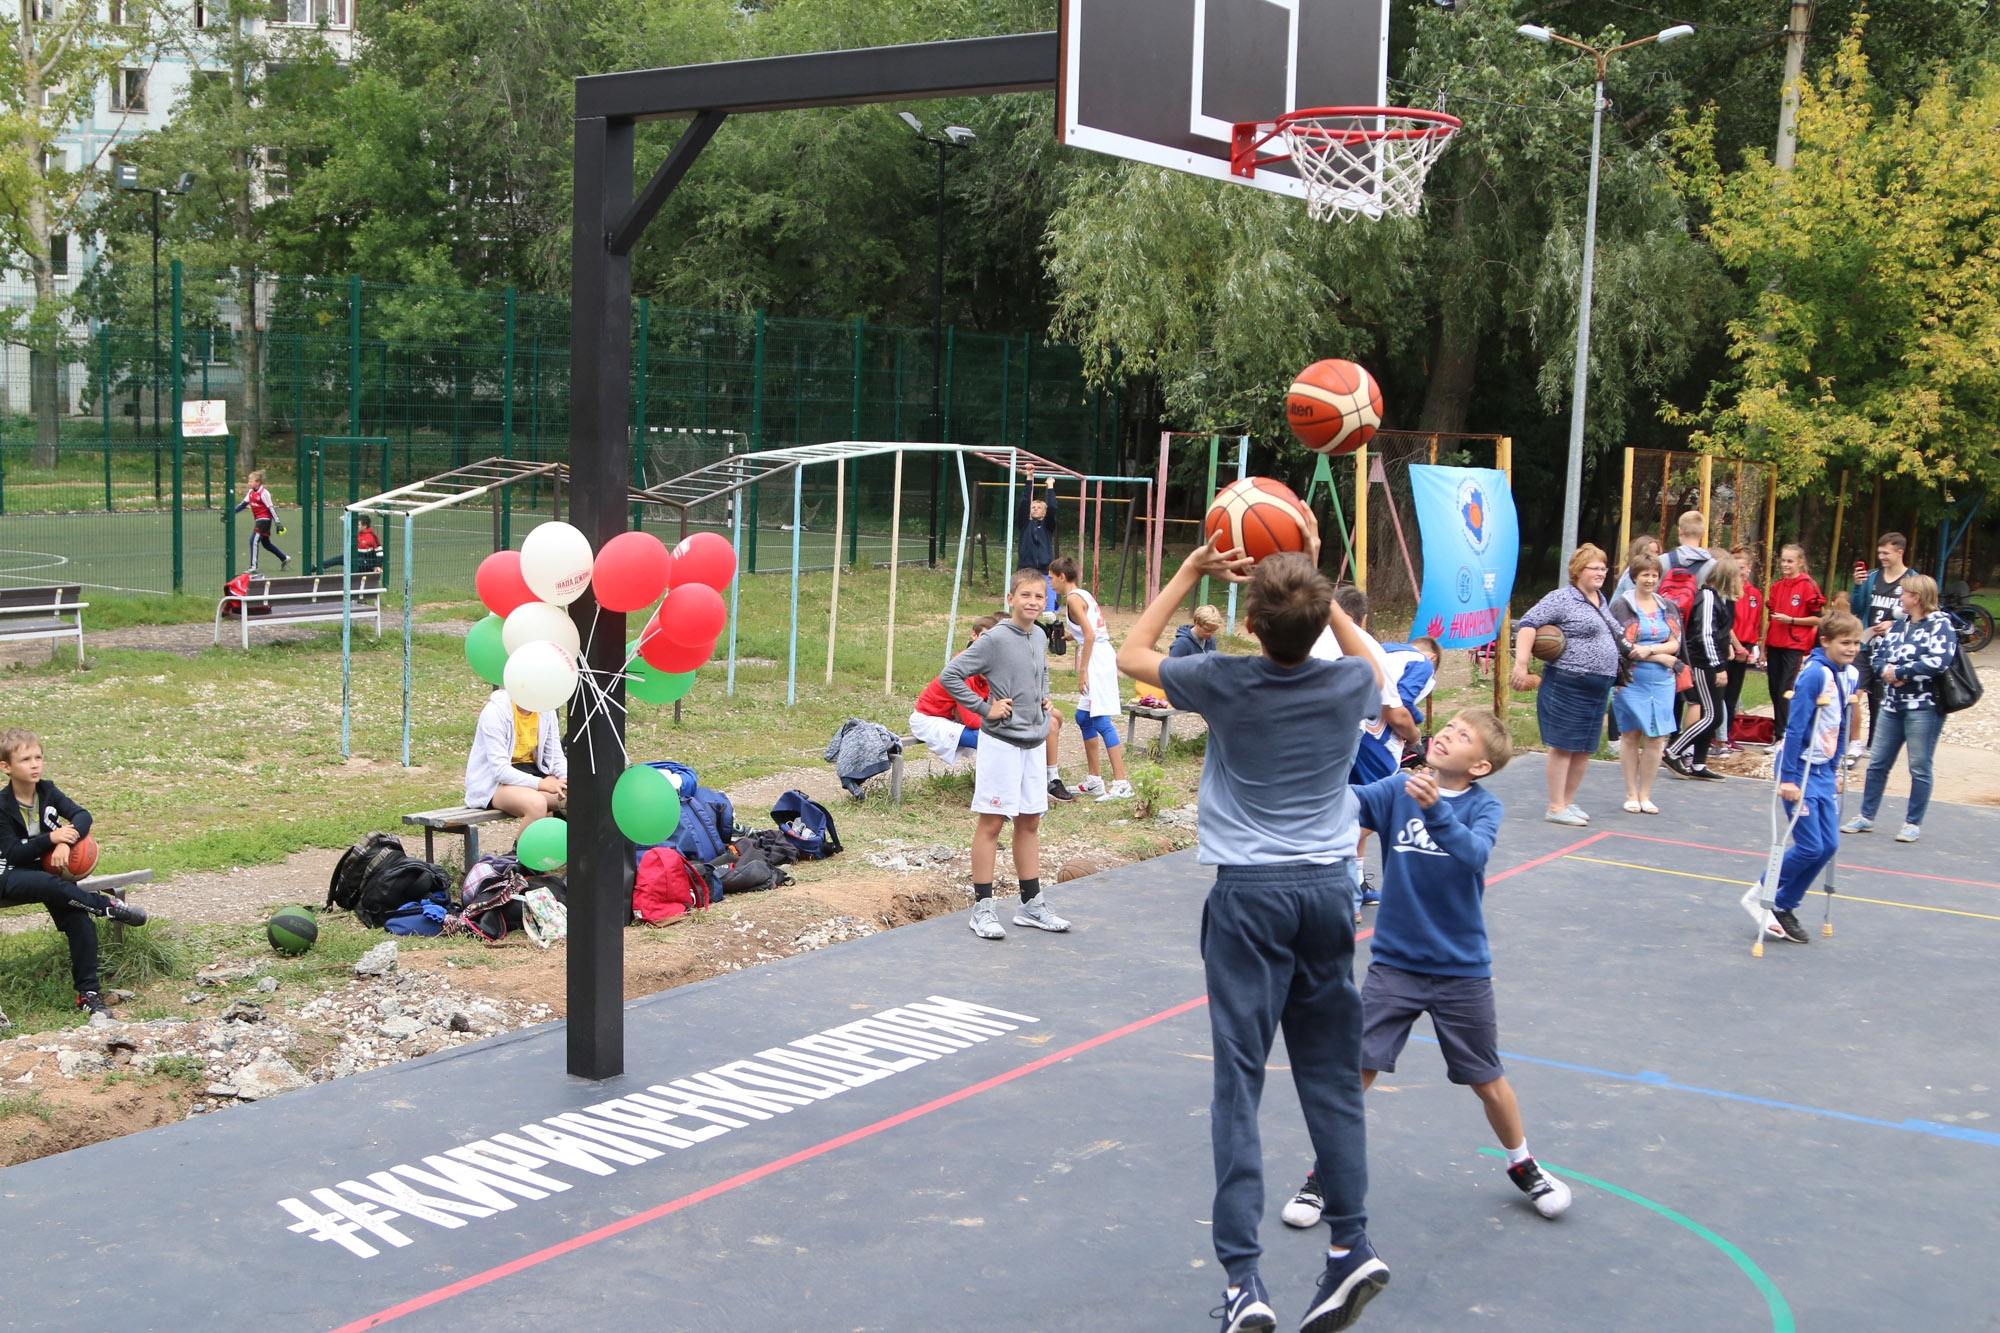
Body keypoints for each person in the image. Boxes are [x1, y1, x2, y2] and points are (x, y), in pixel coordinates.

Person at [1118, 523, 1392, 1333]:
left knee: (1239, 1082)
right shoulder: (1350, 684)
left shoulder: (1228, 679)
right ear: (1324, 618)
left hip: (1251, 895)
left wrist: (1193, 567)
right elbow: (1371, 661)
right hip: (1328, 894)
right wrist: (1319, 593)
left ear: (1247, 622)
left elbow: (1132, 652)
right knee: (1332, 1075)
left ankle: (1245, 1280)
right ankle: (1351, 1244)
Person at [1278, 708, 1573, 1236]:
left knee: (1486, 1077)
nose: (1446, 736)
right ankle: (1323, 1174)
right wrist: (1307, 766)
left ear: (1479, 765)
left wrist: (1436, 812)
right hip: (1395, 964)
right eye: (1449, 727)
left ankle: (1523, 1163)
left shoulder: (1485, 807)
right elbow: (1345, 803)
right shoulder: (1396, 788)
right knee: (1357, 1073)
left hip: (1461, 968)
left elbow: (1473, 856)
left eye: (1463, 736)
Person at [940, 568, 1068, 941]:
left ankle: (1030, 905)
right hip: (1002, 744)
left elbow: (1040, 671)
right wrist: (984, 708)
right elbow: (952, 675)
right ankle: (982, 908)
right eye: (1025, 595)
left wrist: (1044, 697)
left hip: (1034, 741)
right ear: (1010, 599)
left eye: (1039, 597)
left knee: (1029, 822)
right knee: (992, 823)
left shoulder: (1041, 634)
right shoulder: (995, 638)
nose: (1032, 602)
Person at [0, 728, 149, 1024]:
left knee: (78, 918)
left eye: (38, 757)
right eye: (25, 759)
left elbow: (83, 816)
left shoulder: (48, 791)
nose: (34, 765)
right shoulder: (1, 806)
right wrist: (51, 840)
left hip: (42, 874)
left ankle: (88, 994)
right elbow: (13, 853)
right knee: (49, 884)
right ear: (6, 767)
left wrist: (66, 841)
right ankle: (104, 905)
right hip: (7, 873)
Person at [1752, 611, 1863, 944]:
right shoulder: (1814, 674)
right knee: (1810, 845)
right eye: (1845, 642)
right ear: (1825, 641)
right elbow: (1797, 726)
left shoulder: (1851, 675)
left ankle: (1784, 904)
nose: (1852, 648)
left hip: (1822, 770)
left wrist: (1834, 769)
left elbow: (1838, 725)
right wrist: (1788, 778)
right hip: (1798, 768)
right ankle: (1762, 891)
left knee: (1828, 845)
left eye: (1857, 642)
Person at [1511, 544, 1623, 825]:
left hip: (1598, 686)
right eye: (1594, 568)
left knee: (1584, 747)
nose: (1601, 573)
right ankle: (1555, 805)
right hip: (1568, 682)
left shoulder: (1601, 599)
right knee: (1563, 745)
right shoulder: (1561, 598)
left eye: (1603, 568)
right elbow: (1528, 624)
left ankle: (1569, 801)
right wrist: (1521, 664)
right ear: (1577, 571)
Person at [1844, 574, 1954, 843]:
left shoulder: (1940, 624)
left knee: (1919, 765)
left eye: (1903, 593)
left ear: (1916, 597)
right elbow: (1878, 653)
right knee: (1878, 763)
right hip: (1892, 704)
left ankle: (1912, 822)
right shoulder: (1900, 623)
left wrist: (1903, 671)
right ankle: (1866, 816)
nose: (1900, 598)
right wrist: (1887, 672)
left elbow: (1939, 660)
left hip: (1924, 707)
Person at [908, 615, 1066, 778]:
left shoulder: (997, 662)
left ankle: (1045, 778)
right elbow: (972, 720)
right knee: (995, 738)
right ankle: (1004, 781)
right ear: (975, 636)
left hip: (956, 717)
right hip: (930, 718)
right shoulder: (968, 667)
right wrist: (1006, 721)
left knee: (1024, 732)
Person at [1049, 556, 1132, 802]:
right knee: (1083, 717)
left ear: (1062, 577)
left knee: (1100, 718)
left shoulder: (1073, 600)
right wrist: (1071, 636)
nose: (1050, 583)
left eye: (1052, 578)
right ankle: (1094, 779)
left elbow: (1091, 634)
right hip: (1098, 651)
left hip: (1097, 658)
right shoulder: (1083, 594)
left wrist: (1083, 670)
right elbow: (1090, 629)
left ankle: (1121, 782)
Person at [1609, 552, 1682, 814]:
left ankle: (1646, 794)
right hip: (1631, 679)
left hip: (1662, 681)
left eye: (1654, 575)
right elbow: (1621, 643)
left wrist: (1655, 653)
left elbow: (1676, 641)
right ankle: (1630, 793)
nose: (1650, 580)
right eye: (1645, 575)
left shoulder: (1667, 606)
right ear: (1635, 577)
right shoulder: (1621, 606)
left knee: (1656, 736)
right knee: (1630, 735)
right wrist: (1661, 655)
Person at [1664, 550, 1742, 781]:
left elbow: (1718, 633)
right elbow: (1704, 635)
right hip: (1702, 663)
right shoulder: (1708, 597)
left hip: (1709, 661)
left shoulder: (1718, 598)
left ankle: (1699, 763)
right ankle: (1673, 750)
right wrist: (1718, 666)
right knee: (1712, 716)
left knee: (1714, 714)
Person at [464, 687, 568, 837]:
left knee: (575, 796)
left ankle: (568, 855)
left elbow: (555, 757)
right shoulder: (495, 711)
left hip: (531, 773)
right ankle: (520, 855)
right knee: (536, 804)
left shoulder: (546, 710)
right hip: (495, 783)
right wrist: (541, 784)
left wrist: (566, 778)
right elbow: (500, 770)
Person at [1851, 533, 1911, 755]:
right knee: (1853, 692)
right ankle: (1853, 741)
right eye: (1879, 553)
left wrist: (1894, 625)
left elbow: (1916, 614)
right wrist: (1858, 586)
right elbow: (1856, 608)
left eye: (1886, 553)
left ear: (1900, 552)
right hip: (1866, 644)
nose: (1882, 557)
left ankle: (1875, 744)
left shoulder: (1911, 580)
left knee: (1880, 699)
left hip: (1891, 650)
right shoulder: (1872, 577)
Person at [1764, 544, 1826, 741]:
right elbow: (1770, 619)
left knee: (1786, 688)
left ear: (1800, 562)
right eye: (1783, 560)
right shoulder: (1777, 587)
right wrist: (1763, 645)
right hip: (1774, 643)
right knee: (1774, 689)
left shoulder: (1808, 586)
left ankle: (1784, 734)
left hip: (1794, 645)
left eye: (1790, 561)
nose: (1785, 565)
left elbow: (1818, 619)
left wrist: (1791, 620)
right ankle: (1779, 730)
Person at [1717, 548, 1764, 754]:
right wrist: (1737, 647)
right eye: (1735, 568)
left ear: (1749, 569)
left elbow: (1756, 622)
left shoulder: (1755, 594)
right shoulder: (1728, 593)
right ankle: (1717, 736)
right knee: (1722, 692)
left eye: (1742, 568)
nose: (1740, 572)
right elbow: (1727, 623)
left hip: (1745, 648)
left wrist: (1754, 647)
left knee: (1734, 695)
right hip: (1731, 646)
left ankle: (1728, 734)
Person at [1015, 464, 1060, 600]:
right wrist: (1029, 477)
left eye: (1039, 507)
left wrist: (1050, 487)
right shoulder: (1024, 524)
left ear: (1044, 512)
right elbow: (1024, 502)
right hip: (1025, 569)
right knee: (1024, 601)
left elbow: (1052, 507)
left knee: (1048, 611)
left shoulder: (1048, 526)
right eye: (1033, 507)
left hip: (1044, 571)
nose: (1035, 509)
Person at [232, 469, 289, 573]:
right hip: (258, 520)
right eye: (248, 481)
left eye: (251, 481)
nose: (249, 483)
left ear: (258, 482)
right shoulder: (250, 492)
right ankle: (284, 558)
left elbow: (271, 508)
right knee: (266, 544)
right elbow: (243, 504)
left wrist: (278, 523)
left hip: (264, 520)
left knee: (253, 540)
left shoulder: (264, 493)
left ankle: (253, 566)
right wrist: (231, 513)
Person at [1611, 533, 1661, 602]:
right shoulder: (1630, 572)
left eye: (1656, 552)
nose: (1654, 555)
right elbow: (1633, 600)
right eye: (1650, 552)